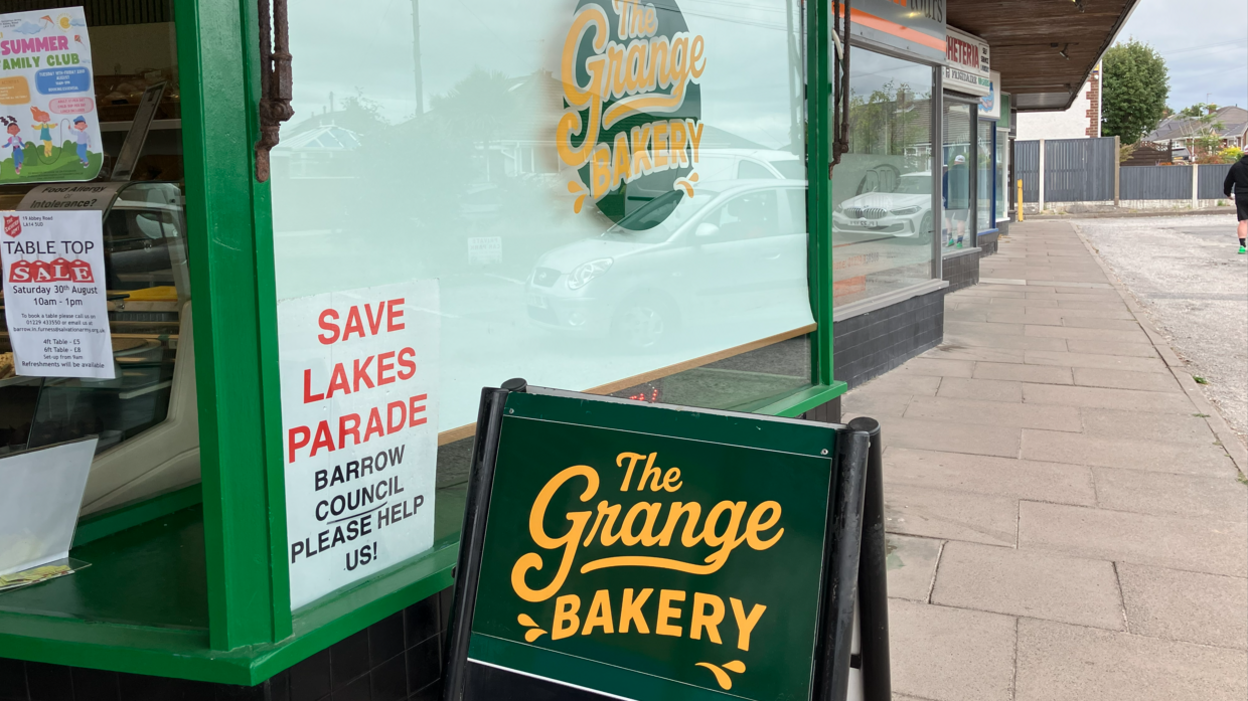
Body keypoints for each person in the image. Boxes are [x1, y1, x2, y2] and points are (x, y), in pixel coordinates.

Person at [1223, 152, 1248, 254]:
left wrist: (1228, 193)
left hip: (1241, 195)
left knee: (1243, 221)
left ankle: (1242, 246)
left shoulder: (1236, 166)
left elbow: (1228, 182)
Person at [943, 154, 970, 248]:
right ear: (964, 163)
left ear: (955, 162)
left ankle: (950, 239)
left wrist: (945, 197)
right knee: (961, 221)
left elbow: (943, 187)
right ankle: (959, 242)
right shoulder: (969, 173)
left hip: (950, 200)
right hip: (963, 201)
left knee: (948, 219)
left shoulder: (948, 173)